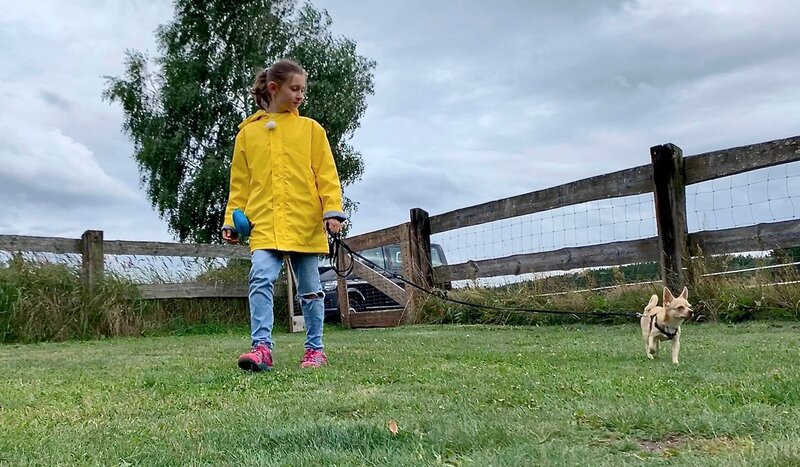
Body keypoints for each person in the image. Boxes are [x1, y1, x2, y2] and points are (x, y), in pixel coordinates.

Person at [222, 59, 346, 371]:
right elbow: (239, 184)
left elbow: (327, 175)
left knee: (310, 289)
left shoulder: (311, 130)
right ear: (274, 88)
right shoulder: (247, 135)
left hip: (305, 222)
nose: (300, 95)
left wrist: (333, 211)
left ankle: (315, 350)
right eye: (295, 88)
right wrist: (231, 220)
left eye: (303, 89)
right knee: (260, 277)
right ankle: (262, 348)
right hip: (263, 222)